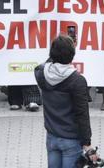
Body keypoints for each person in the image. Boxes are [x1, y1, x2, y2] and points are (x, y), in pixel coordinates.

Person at [36, 34, 93, 168]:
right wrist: (87, 143)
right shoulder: (77, 80)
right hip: (71, 140)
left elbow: (49, 60)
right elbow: (82, 114)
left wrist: (58, 50)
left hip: (52, 137)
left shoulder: (41, 72)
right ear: (72, 54)